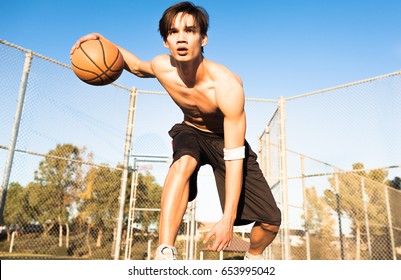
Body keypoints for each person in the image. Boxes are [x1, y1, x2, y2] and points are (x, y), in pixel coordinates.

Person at [70, 1, 281, 260]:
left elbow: (235, 156)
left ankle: (252, 257)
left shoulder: (226, 86)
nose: (181, 39)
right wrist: (102, 40)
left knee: (271, 222)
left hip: (226, 142)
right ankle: (165, 251)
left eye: (190, 31)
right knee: (184, 162)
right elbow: (133, 65)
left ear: (203, 38)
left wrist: (227, 219)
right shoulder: (162, 67)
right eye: (173, 32)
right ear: (165, 42)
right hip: (191, 131)